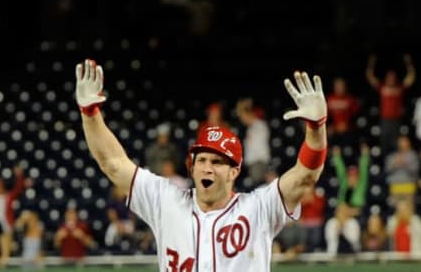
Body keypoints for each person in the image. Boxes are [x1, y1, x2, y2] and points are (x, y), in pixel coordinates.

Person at [75, 59, 328, 272]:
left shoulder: (259, 208)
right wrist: (90, 113)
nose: (207, 167)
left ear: (234, 172)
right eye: (202, 160)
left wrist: (316, 129)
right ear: (192, 167)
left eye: (218, 161)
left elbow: (305, 176)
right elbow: (113, 164)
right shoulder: (165, 200)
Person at [365, 53, 416, 155]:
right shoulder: (382, 87)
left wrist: (409, 64)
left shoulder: (399, 87)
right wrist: (371, 63)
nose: (391, 79)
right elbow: (370, 77)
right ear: (386, 78)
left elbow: (411, 78)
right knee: (384, 143)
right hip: (385, 120)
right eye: (389, 77)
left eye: (393, 77)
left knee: (396, 144)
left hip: (396, 121)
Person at [236, 97, 271, 188]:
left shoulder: (260, 125)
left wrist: (244, 107)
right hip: (254, 163)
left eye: (244, 115)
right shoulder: (251, 128)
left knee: (259, 187)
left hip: (259, 162)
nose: (242, 118)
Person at [331, 143, 370, 213]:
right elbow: (340, 169)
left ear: (358, 177)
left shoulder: (361, 184)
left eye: (354, 177)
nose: (351, 179)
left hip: (357, 212)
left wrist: (365, 155)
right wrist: (336, 156)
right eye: (350, 177)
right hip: (343, 211)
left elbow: (364, 168)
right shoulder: (344, 184)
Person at [385, 135, 420, 203]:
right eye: (400, 142)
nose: (402, 144)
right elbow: (387, 170)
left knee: (408, 207)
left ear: (408, 142)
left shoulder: (413, 155)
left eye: (404, 141)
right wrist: (395, 164)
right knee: (395, 207)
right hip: (395, 185)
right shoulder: (392, 156)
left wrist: (405, 164)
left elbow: (415, 170)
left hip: (409, 185)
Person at [326, 77, 360, 146]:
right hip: (333, 131)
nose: (339, 88)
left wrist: (348, 125)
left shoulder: (350, 99)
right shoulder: (329, 99)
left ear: (345, 87)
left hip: (348, 131)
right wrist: (330, 127)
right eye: (337, 86)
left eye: (341, 85)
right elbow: (325, 116)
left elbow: (356, 116)